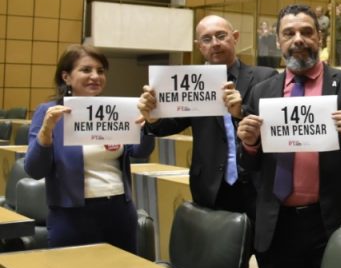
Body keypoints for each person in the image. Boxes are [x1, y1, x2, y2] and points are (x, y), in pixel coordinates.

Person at [236, 4, 341, 268]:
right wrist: (248, 143)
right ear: (278, 41)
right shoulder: (261, 92)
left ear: (320, 37)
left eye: (306, 32)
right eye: (289, 33)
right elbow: (247, 164)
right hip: (277, 228)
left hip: (331, 224)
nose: (298, 39)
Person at [138, 15, 276, 213]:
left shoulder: (265, 77)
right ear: (199, 46)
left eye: (221, 36)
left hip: (256, 182)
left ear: (235, 37)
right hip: (210, 185)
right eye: (207, 39)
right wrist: (152, 116)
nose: (215, 43)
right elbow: (168, 125)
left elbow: (273, 128)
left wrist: (241, 113)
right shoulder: (189, 82)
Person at [25, 45, 154, 253]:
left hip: (119, 211)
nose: (95, 76)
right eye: (86, 70)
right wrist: (46, 131)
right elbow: (35, 170)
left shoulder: (117, 110)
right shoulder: (48, 113)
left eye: (100, 71)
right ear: (66, 77)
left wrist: (149, 125)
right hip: (71, 216)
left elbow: (139, 153)